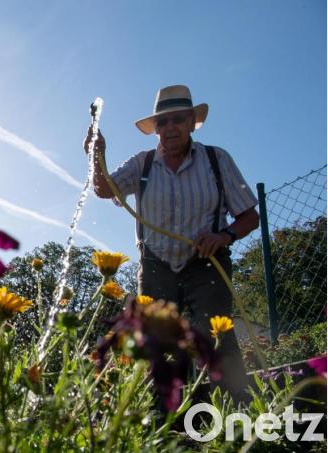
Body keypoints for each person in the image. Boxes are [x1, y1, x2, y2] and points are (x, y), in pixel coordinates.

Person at [85, 84, 260, 405]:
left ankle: (240, 409)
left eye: (178, 119)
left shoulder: (216, 160)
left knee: (217, 337)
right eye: (162, 123)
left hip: (207, 264)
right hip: (156, 266)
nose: (169, 128)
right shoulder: (142, 164)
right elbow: (104, 189)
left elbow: (250, 216)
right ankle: (160, 417)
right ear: (155, 130)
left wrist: (223, 236)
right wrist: (98, 155)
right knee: (154, 344)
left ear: (192, 122)